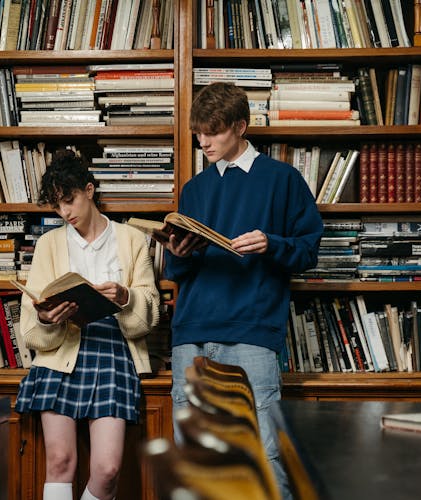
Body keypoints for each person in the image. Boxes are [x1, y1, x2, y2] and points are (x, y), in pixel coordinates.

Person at [161, 82, 323, 499]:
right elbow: (180, 271)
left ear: (240, 126)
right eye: (198, 132)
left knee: (265, 456)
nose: (203, 141)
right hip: (191, 335)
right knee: (195, 462)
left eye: (212, 132)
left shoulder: (281, 180)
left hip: (251, 332)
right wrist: (177, 252)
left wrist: (272, 243)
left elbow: (307, 251)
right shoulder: (194, 189)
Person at [14, 149, 160, 500]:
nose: (65, 212)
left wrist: (125, 297)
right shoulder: (48, 244)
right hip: (62, 351)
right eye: (57, 206)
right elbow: (30, 330)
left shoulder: (131, 239)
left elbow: (149, 316)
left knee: (107, 470)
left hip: (113, 352)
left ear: (90, 190)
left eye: (70, 200)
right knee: (60, 461)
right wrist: (47, 318)